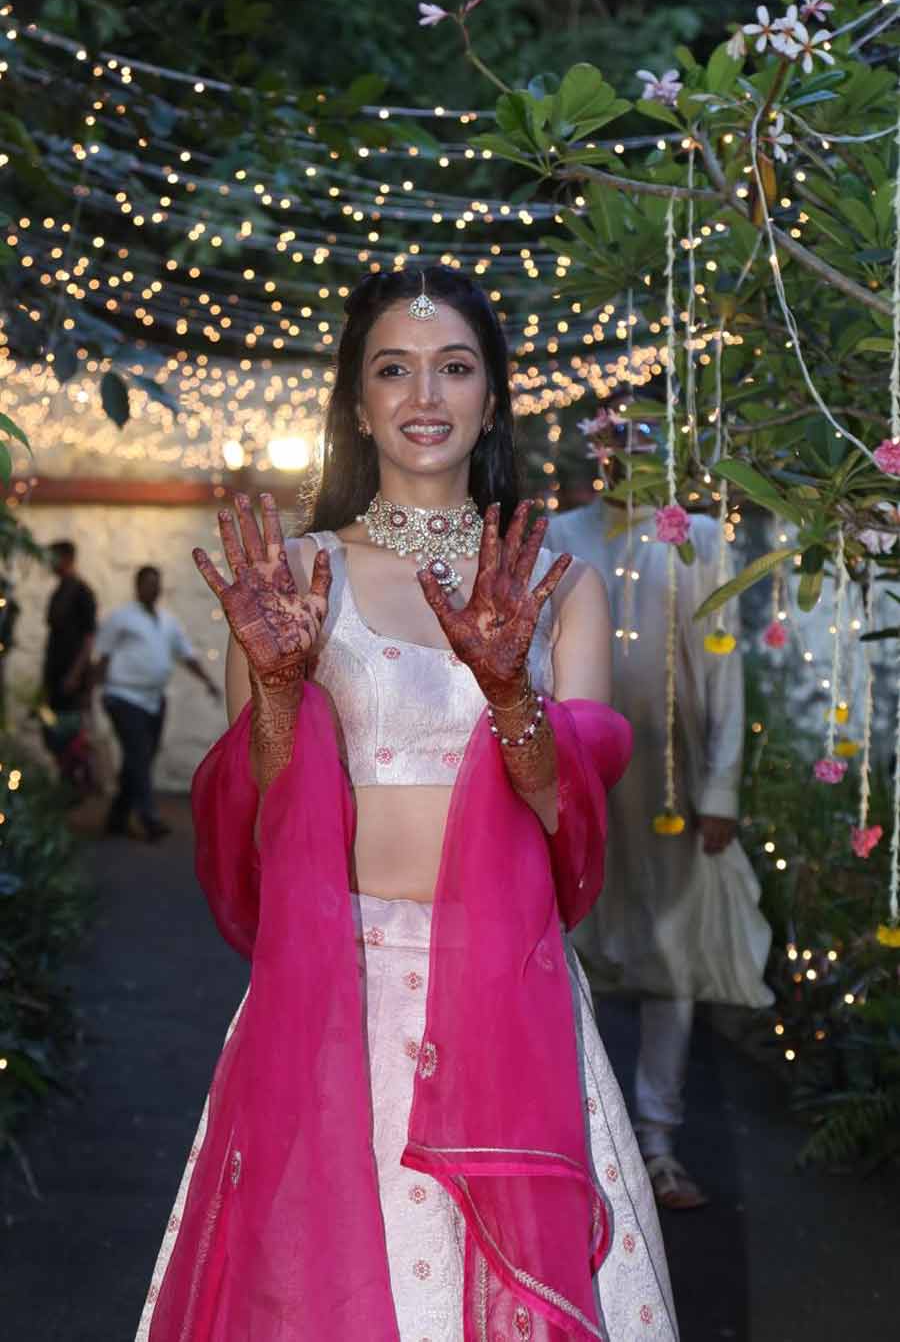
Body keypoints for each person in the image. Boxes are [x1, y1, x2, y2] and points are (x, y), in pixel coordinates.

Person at [135, 268, 679, 1341]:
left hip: (507, 1003)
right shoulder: (295, 577)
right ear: (356, 399)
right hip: (336, 999)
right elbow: (250, 820)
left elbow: (569, 819)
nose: (424, 394)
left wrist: (512, 690)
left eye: (454, 366)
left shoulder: (554, 588)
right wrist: (281, 686)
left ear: (491, 396)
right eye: (394, 368)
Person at [546, 401, 773, 1212]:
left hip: (672, 791)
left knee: (671, 962)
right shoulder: (557, 539)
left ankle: (657, 1144)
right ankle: (575, 1143)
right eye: (612, 441)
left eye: (642, 440)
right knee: (573, 959)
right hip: (578, 784)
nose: (625, 455)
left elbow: (724, 668)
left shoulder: (698, 538)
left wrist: (721, 789)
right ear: (592, 451)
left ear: (663, 448)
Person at [94, 566, 221, 842]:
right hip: (123, 697)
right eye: (148, 583)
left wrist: (208, 681)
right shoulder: (121, 618)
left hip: (153, 700)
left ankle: (117, 817)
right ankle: (148, 817)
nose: (154, 588)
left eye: (157, 583)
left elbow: (186, 654)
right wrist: (91, 693)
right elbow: (102, 656)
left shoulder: (167, 621)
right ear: (138, 586)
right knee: (139, 754)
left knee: (141, 757)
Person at [40, 540, 98, 784]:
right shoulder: (59, 590)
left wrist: (75, 674)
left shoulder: (82, 591)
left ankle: (76, 784)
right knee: (52, 729)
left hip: (71, 679)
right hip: (55, 675)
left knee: (71, 734)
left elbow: (89, 637)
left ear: (66, 558)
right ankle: (66, 781)